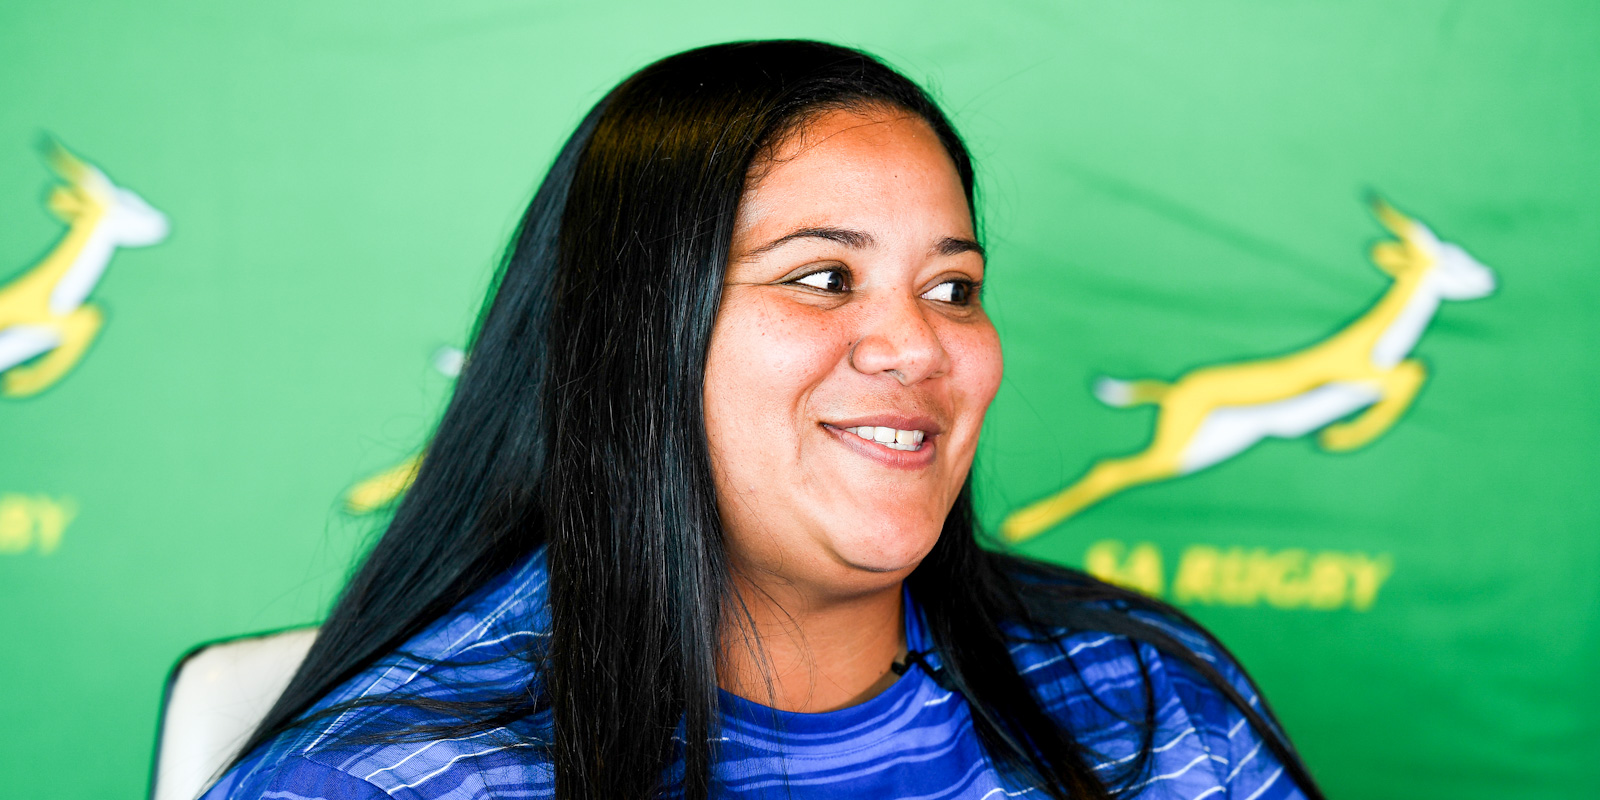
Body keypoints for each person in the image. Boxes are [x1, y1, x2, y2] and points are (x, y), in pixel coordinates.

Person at [205, 40, 1323, 800]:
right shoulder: (400, 779)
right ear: (633, 339)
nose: (918, 346)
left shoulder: (1145, 693)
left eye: (953, 288)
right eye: (823, 278)